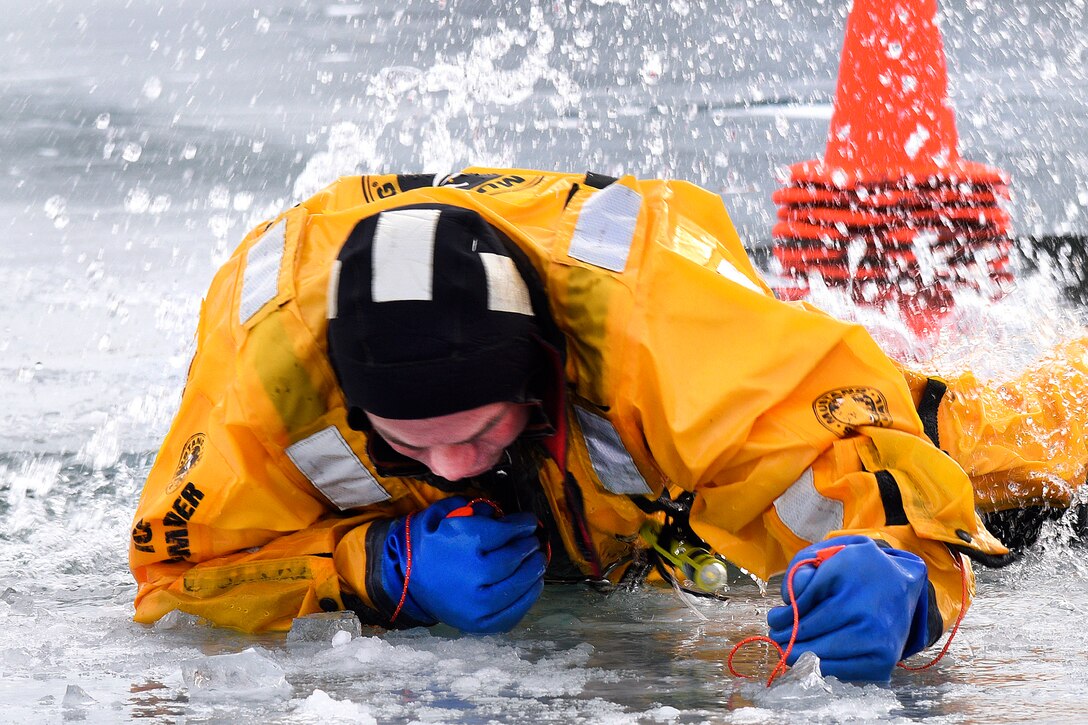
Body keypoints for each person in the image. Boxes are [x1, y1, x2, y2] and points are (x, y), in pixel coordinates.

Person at [128, 168, 1088, 682]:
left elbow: (851, 448)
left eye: (477, 430)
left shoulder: (660, 335)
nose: (454, 470)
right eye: (411, 446)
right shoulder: (268, 380)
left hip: (675, 406)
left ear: (542, 375)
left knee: (984, 443)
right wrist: (371, 567)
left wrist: (900, 571)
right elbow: (177, 576)